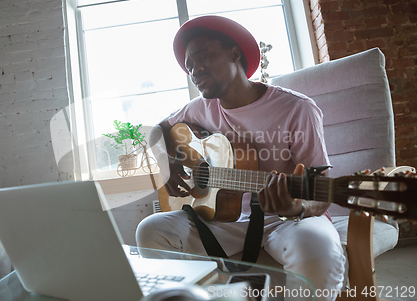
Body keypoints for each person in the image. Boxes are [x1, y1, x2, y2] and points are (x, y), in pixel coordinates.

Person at [136, 15, 345, 299]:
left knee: (317, 248)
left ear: (235, 54)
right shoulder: (200, 108)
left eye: (201, 57)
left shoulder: (297, 108)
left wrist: (295, 207)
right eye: (189, 67)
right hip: (224, 220)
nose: (194, 71)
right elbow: (157, 132)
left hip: (286, 220)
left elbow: (320, 192)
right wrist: (166, 165)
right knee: (150, 230)